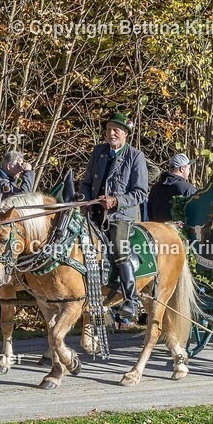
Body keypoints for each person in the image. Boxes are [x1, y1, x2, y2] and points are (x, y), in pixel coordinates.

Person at [80, 112, 149, 320]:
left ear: (125, 134)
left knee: (119, 250)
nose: (111, 133)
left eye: (116, 130)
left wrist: (116, 200)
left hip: (120, 216)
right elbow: (85, 182)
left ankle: (131, 299)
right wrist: (84, 199)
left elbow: (140, 192)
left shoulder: (135, 156)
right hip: (94, 213)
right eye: (109, 129)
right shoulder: (98, 151)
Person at [147, 153, 198, 222]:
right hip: (179, 232)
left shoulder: (155, 187)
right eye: (188, 168)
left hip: (156, 230)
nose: (189, 171)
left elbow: (149, 213)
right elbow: (196, 214)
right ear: (182, 169)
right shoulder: (187, 188)